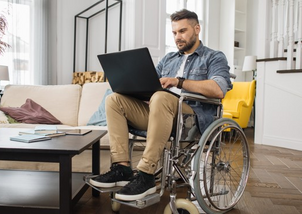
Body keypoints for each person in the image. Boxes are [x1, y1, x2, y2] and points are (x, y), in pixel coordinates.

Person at [90, 9, 232, 201]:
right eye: (174, 33)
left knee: (161, 97)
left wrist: (178, 81)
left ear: (197, 29)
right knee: (114, 99)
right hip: (159, 113)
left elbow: (218, 89)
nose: (177, 37)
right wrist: (134, 87)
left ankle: (146, 174)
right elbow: (150, 83)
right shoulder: (168, 59)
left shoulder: (213, 57)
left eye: (182, 31)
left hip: (191, 118)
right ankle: (122, 168)